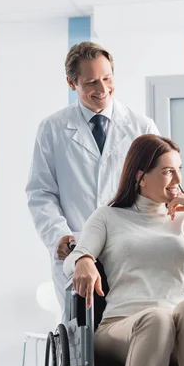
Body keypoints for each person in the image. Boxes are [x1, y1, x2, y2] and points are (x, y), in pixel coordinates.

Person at [63, 134, 184, 366]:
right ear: (141, 177)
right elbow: (72, 259)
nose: (178, 179)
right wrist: (84, 259)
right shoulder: (108, 217)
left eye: (179, 169)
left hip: (179, 328)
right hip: (120, 327)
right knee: (157, 320)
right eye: (167, 171)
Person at [26, 42, 159, 320]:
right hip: (78, 244)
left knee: (135, 328)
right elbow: (41, 192)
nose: (102, 89)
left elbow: (155, 189)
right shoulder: (52, 129)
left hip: (129, 246)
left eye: (107, 78)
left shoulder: (141, 127)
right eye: (91, 82)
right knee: (83, 338)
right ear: (71, 83)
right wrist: (58, 235)